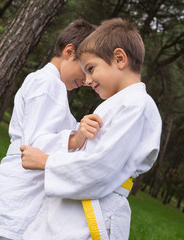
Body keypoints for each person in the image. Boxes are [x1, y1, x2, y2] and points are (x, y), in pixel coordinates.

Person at [20, 18, 162, 240]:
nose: (87, 80)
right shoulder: (119, 103)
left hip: (95, 214)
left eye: (91, 69)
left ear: (119, 59)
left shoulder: (137, 105)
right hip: (75, 209)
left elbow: (102, 166)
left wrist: (46, 162)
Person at [0, 19, 101, 240]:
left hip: (25, 194)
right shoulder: (47, 84)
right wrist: (76, 139)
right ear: (69, 52)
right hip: (20, 195)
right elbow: (34, 146)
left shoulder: (53, 87)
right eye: (87, 69)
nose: (87, 80)